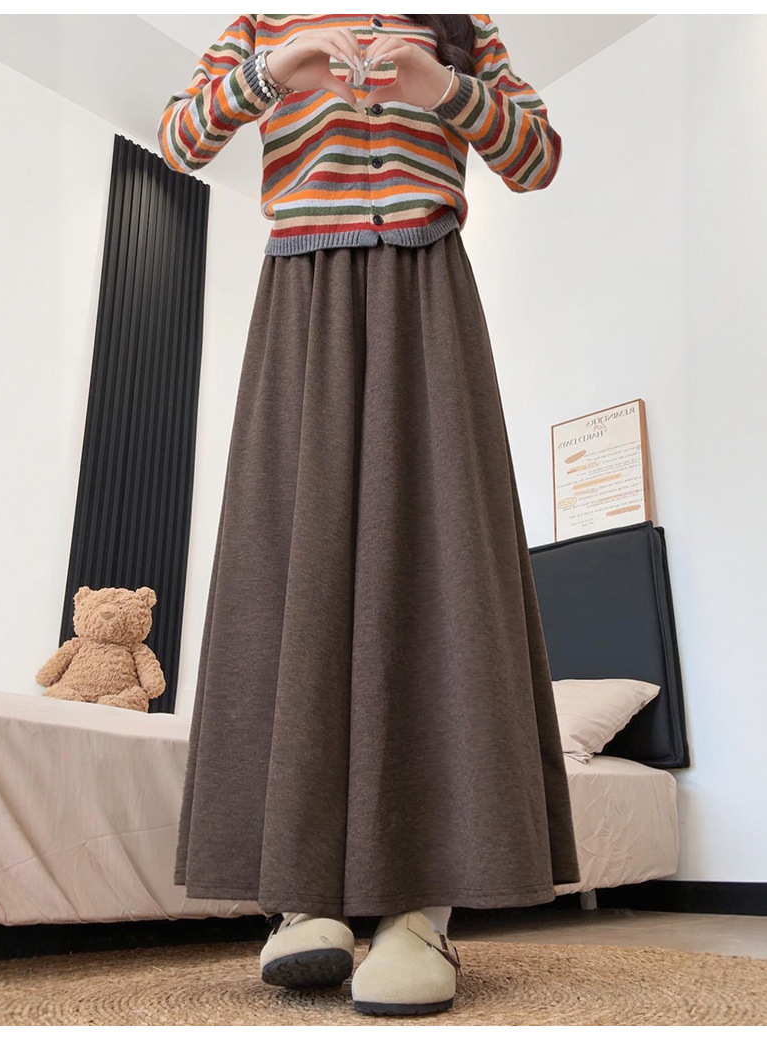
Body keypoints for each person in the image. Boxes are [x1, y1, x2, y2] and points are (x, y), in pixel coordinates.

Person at [158, 13, 581, 1018]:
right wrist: (272, 71)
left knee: (441, 570)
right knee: (285, 567)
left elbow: (536, 157)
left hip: (427, 292)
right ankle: (300, 900)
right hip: (299, 297)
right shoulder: (261, 21)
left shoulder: (460, 23)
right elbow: (180, 139)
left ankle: (418, 913)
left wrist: (443, 88)